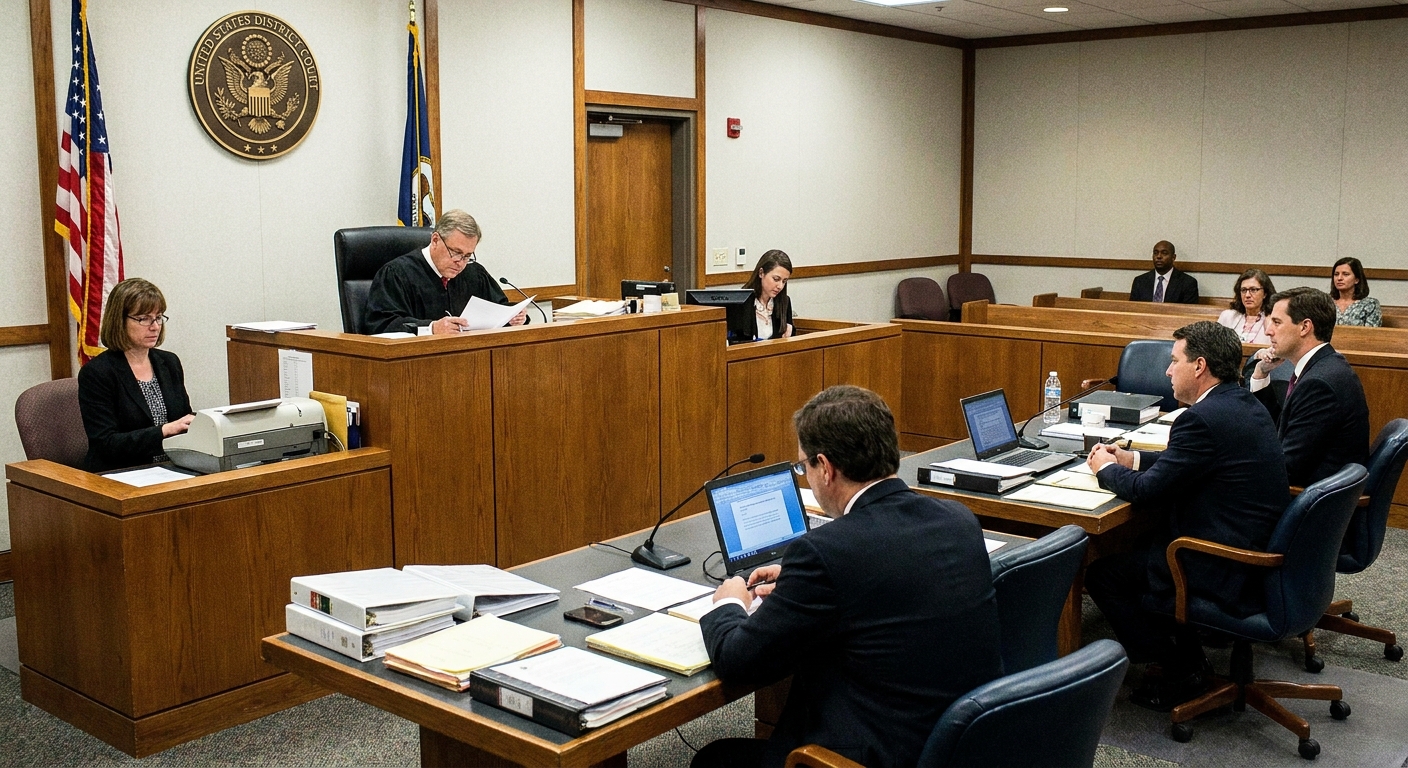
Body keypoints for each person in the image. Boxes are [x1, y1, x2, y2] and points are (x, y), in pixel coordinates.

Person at [692, 385, 1002, 768]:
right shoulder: (957, 520)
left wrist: (729, 601)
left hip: (870, 756)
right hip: (956, 745)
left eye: (803, 466)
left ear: (826, 467)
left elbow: (737, 661)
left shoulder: (826, 552)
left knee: (714, 760)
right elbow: (884, 570)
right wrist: (799, 581)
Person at [1084, 321, 1288, 711]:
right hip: (1255, 548)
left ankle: (1179, 665)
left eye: (1173, 361)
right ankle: (1183, 650)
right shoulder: (1241, 402)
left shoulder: (1199, 419)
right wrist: (1134, 458)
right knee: (1142, 543)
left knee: (1103, 574)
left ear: (1199, 366)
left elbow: (1147, 491)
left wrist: (1104, 470)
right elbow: (1188, 463)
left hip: (1223, 563)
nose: (1166, 370)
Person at [1249, 287, 1370, 487]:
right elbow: (1281, 431)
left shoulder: (1319, 383)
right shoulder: (1326, 366)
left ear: (1305, 327)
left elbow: (1287, 469)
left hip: (1309, 505)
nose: (1268, 330)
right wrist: (1261, 374)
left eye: (1277, 322)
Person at [77, 278, 195, 472]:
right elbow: (106, 444)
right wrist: (164, 431)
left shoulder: (169, 362)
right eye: (143, 318)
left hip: (173, 467)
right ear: (119, 320)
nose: (155, 326)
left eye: (158, 317)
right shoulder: (97, 373)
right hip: (122, 473)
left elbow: (184, 419)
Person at [362, 209, 528, 334]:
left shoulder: (474, 273)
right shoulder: (397, 274)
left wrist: (514, 317)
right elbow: (380, 325)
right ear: (435, 240)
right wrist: (431, 328)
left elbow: (499, 308)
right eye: (455, 252)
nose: (460, 262)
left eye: (467, 255)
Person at [741, 249, 794, 340]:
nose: (780, 286)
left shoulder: (784, 302)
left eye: (784, 281)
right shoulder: (742, 302)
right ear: (761, 273)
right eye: (776, 279)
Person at [1217, 268, 1275, 344]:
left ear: (1265, 294)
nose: (1247, 295)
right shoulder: (1227, 316)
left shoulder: (1273, 319)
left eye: (1253, 290)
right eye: (1244, 290)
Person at [1130, 241, 1199, 304]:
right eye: (1155, 253)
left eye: (1164, 253)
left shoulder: (1188, 283)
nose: (1159, 256)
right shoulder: (1140, 281)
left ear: (1173, 257)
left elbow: (1189, 313)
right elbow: (1132, 310)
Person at [1328, 257, 1381, 327]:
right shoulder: (1326, 302)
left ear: (1356, 279)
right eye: (1336, 274)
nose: (1339, 278)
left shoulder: (1370, 304)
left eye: (1345, 274)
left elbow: (1371, 335)